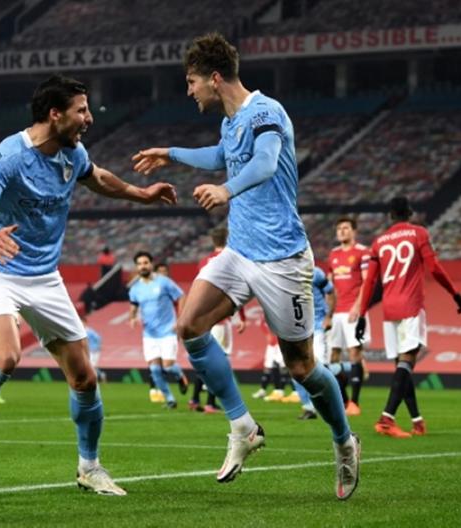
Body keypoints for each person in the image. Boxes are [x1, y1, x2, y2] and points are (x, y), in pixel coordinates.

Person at [0, 74, 177, 504]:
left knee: (85, 378)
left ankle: (90, 468)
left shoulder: (72, 153)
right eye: (82, 110)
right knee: (4, 357)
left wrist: (143, 194)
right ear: (55, 114)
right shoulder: (10, 155)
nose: (89, 118)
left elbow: (99, 178)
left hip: (45, 277)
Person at [132, 32, 359, 500]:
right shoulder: (230, 122)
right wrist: (171, 154)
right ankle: (243, 426)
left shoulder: (266, 112)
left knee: (302, 367)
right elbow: (221, 156)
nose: (189, 90)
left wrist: (226, 189)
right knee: (190, 325)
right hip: (239, 251)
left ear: (214, 78)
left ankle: (344, 442)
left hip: (282, 259)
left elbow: (266, 162)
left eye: (192, 82)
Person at [351, 196, 461, 439]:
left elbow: (370, 281)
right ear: (410, 213)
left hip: (389, 309)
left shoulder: (379, 242)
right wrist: (455, 293)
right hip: (411, 305)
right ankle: (387, 419)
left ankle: (417, 421)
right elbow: (434, 268)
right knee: (407, 362)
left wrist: (362, 315)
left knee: (402, 367)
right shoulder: (418, 233)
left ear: (390, 216)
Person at [190, 227, 246, 414]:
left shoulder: (203, 262)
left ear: (213, 240)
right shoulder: (230, 260)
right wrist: (242, 317)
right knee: (218, 361)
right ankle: (210, 403)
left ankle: (194, 398)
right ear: (228, 238)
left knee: (205, 358)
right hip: (221, 320)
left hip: (204, 319)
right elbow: (235, 289)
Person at [128, 251, 188, 409]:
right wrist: (132, 317)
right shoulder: (135, 289)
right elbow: (133, 306)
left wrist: (180, 319)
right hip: (149, 334)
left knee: (167, 366)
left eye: (145, 263)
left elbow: (181, 296)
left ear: (151, 264)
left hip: (168, 331)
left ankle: (179, 375)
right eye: (139, 264)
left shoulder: (163, 282)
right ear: (136, 267)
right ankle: (170, 399)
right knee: (154, 369)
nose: (143, 266)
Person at [327, 216, 371, 416]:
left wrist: (357, 307)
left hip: (353, 310)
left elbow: (366, 282)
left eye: (346, 228)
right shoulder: (333, 255)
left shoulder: (362, 252)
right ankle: (344, 400)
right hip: (337, 313)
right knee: (333, 356)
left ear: (354, 231)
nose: (342, 231)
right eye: (339, 229)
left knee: (354, 353)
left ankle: (355, 402)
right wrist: (328, 313)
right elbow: (330, 288)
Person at [290, 266, 336, 419]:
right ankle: (308, 407)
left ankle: (331, 403)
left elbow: (331, 292)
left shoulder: (315, 272)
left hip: (317, 324)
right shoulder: (285, 273)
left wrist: (329, 317)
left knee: (320, 366)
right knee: (295, 368)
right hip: (298, 328)